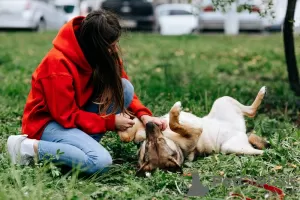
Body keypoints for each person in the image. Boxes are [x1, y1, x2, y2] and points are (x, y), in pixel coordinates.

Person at [6, 10, 167, 175]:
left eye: (115, 43)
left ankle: (76, 153)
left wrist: (144, 115)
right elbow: (66, 116)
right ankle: (25, 148)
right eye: (109, 46)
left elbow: (122, 91)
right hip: (49, 123)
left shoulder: (104, 54)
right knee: (100, 162)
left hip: (78, 116)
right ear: (95, 46)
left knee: (124, 87)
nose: (114, 50)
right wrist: (109, 122)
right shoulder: (58, 64)